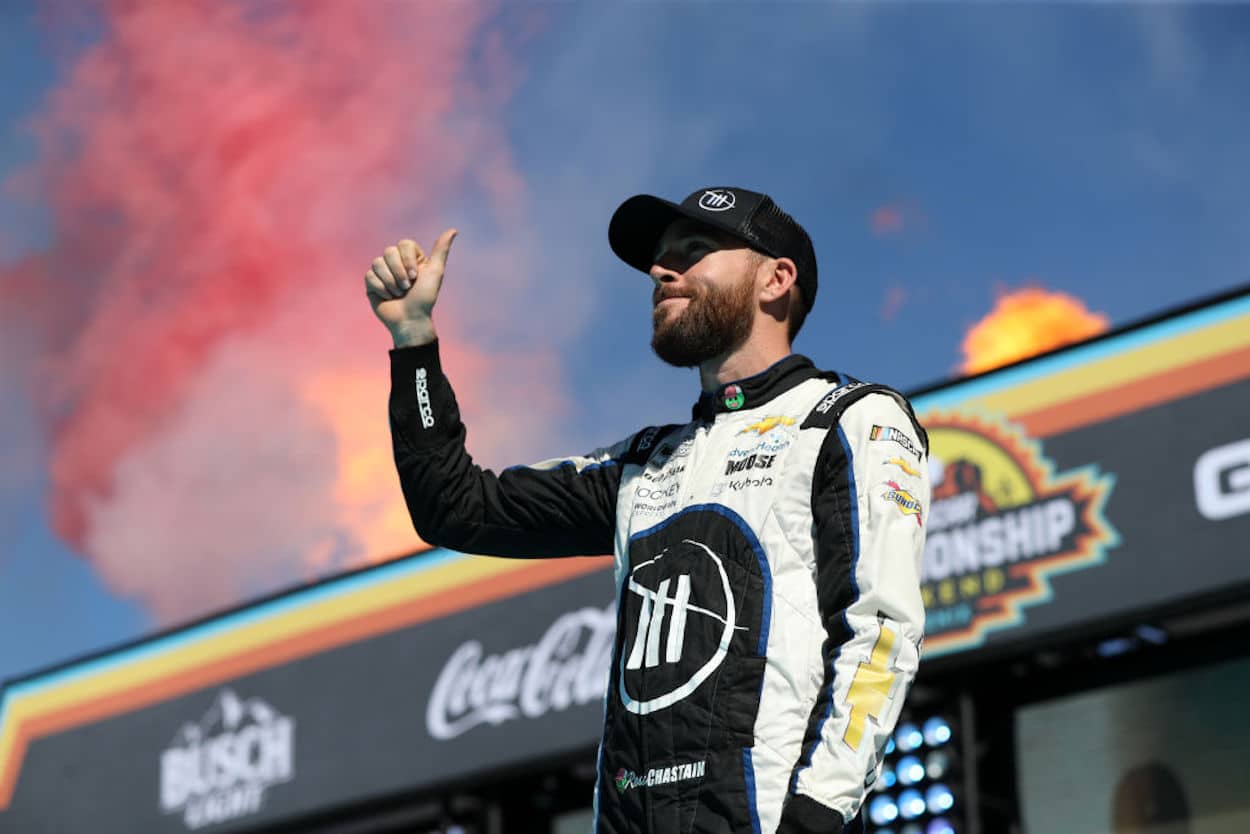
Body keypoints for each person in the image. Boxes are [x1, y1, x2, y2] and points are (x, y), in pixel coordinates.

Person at [366, 186, 929, 834]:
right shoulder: (643, 463)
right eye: (660, 260)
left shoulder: (848, 420)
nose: (663, 271)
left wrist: (814, 819)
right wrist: (413, 341)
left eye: (694, 252)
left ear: (776, 280)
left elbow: (880, 634)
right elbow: (455, 508)